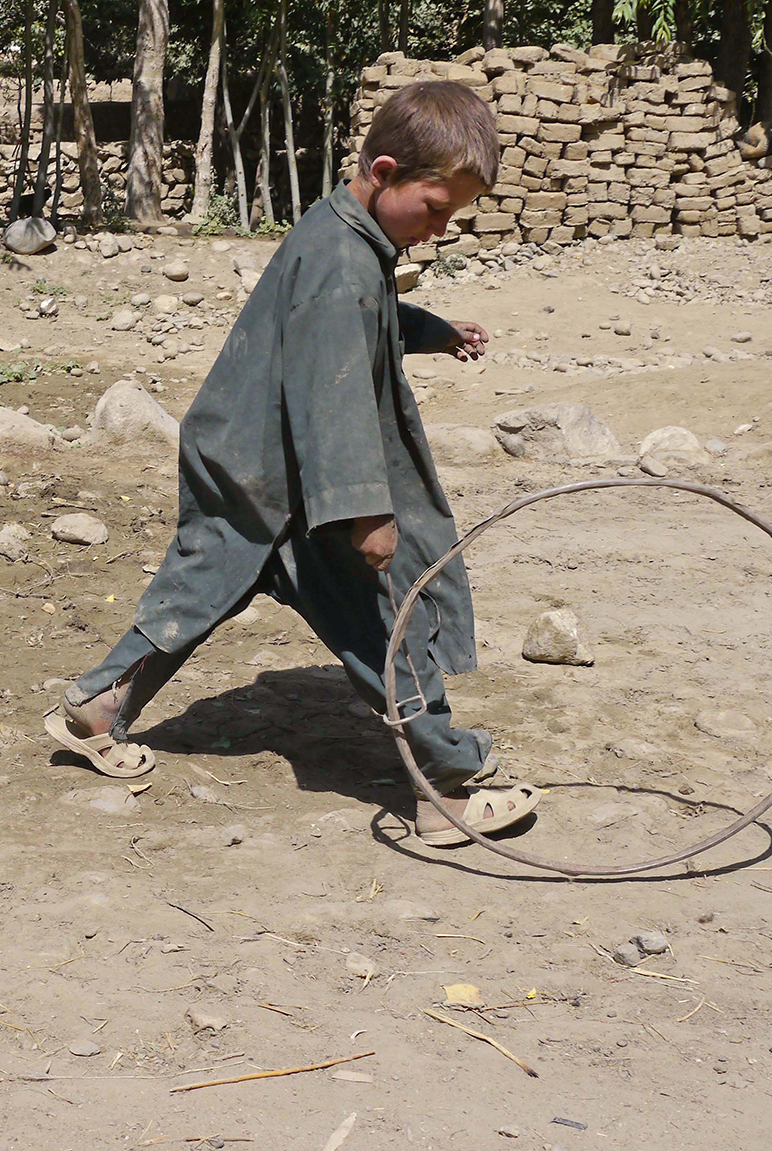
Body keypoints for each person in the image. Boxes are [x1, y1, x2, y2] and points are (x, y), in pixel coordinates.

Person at [45, 81, 540, 847]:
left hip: (242, 457)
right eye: (436, 208)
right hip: (295, 480)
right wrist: (367, 513)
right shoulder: (343, 261)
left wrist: (431, 330)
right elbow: (333, 395)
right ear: (384, 172)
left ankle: (96, 706)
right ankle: (442, 788)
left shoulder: (340, 231)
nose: (441, 228)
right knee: (389, 613)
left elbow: (357, 323)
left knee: (203, 587)